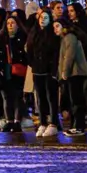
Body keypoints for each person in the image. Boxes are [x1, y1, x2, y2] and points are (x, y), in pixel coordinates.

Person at [0, 15, 28, 132]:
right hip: (4, 69)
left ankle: (17, 121)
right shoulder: (1, 38)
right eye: (8, 23)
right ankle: (9, 120)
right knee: (6, 96)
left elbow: (25, 55)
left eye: (13, 23)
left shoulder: (22, 37)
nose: (10, 25)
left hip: (18, 68)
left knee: (17, 96)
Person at [26, 9, 59, 138]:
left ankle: (54, 123)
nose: (43, 19)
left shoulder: (52, 34)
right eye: (41, 17)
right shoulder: (34, 33)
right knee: (40, 97)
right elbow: (29, 49)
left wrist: (54, 68)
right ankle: (43, 122)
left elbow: (56, 52)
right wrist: (32, 63)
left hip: (49, 70)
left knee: (51, 96)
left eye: (46, 17)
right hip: (37, 70)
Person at [56, 18, 87, 137]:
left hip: (75, 73)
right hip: (73, 73)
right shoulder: (65, 38)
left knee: (76, 100)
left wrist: (65, 72)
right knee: (74, 100)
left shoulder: (70, 37)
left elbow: (69, 56)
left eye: (57, 26)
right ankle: (75, 125)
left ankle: (79, 126)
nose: (55, 29)